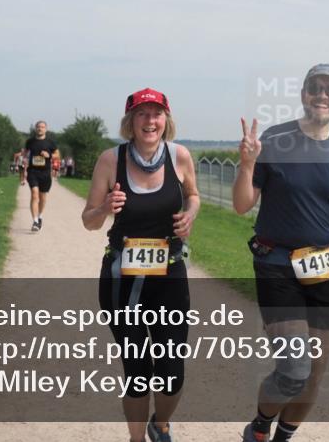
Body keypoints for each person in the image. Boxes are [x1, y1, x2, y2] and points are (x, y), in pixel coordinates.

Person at [233, 64, 329, 442]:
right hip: (276, 265)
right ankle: (260, 424)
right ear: (303, 94)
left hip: (324, 268)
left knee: (315, 372)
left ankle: (279, 436)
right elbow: (242, 204)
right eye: (316, 88)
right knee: (294, 370)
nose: (323, 95)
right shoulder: (276, 139)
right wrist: (247, 164)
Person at [82, 88, 200, 442]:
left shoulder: (179, 156)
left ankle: (160, 423)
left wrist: (190, 213)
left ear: (167, 120)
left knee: (171, 370)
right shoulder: (110, 160)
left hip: (170, 276)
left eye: (157, 114)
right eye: (142, 114)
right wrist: (105, 208)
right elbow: (88, 220)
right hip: (121, 278)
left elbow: (192, 195)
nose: (150, 121)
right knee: (137, 370)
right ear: (130, 122)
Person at [25, 121, 57, 232]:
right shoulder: (30, 142)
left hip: (45, 173)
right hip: (33, 172)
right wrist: (24, 167)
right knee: (34, 195)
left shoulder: (50, 142)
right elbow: (25, 154)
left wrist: (49, 155)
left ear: (46, 129)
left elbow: (57, 155)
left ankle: (40, 216)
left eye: (42, 127)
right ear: (35, 128)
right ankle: (35, 221)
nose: (40, 129)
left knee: (42, 197)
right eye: (38, 127)